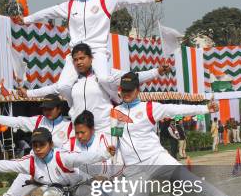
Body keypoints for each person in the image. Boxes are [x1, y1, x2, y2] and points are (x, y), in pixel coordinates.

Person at [110, 72, 241, 196]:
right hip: (133, 167)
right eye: (123, 91)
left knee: (189, 180)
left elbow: (176, 109)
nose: (126, 94)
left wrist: (205, 109)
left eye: (129, 90)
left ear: (137, 90)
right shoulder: (115, 112)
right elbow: (112, 138)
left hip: (156, 159)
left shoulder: (149, 108)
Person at [14, 0, 164, 99]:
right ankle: (74, 109)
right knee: (63, 86)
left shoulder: (104, 1)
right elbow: (48, 12)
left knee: (104, 79)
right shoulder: (71, 5)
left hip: (97, 51)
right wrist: (26, 19)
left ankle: (115, 100)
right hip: (76, 54)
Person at [19, 43, 166, 134]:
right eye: (75, 60)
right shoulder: (71, 80)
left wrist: (156, 72)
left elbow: (133, 77)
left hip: (105, 128)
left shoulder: (105, 75)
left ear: (91, 59)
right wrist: (29, 93)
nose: (79, 62)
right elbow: (53, 88)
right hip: (81, 130)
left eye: (82, 58)